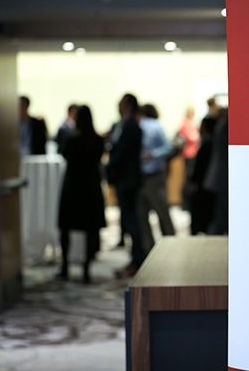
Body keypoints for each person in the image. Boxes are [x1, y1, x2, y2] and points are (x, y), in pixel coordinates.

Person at [57, 105, 106, 283]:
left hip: (73, 186)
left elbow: (64, 154)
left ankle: (65, 267)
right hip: (91, 186)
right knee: (90, 229)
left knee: (66, 227)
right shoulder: (97, 139)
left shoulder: (72, 138)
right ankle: (86, 268)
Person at [106, 93, 145, 278]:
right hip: (125, 179)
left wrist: (110, 166)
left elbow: (122, 152)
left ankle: (137, 260)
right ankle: (135, 259)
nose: (118, 106)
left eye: (121, 103)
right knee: (129, 220)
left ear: (128, 105)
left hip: (128, 180)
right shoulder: (124, 125)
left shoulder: (131, 126)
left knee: (132, 221)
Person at [137, 104, 176, 252]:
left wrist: (152, 154)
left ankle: (171, 246)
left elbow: (169, 147)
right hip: (140, 177)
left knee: (162, 212)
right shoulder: (135, 126)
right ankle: (149, 250)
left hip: (154, 176)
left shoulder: (155, 126)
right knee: (142, 216)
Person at [188, 115, 217, 235]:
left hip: (204, 186)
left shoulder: (207, 146)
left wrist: (193, 183)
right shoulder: (212, 145)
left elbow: (199, 168)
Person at [177, 105, 200, 210]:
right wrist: (197, 135)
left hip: (194, 153)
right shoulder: (185, 123)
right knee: (188, 178)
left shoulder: (191, 122)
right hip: (189, 153)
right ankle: (185, 203)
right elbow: (191, 137)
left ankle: (189, 202)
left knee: (190, 178)